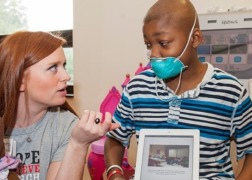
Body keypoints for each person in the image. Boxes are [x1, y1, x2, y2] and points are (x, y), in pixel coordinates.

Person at [104, 0, 252, 179]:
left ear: (195, 38)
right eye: (149, 45)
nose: (154, 54)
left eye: (164, 43)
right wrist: (115, 172)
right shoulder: (137, 89)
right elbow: (115, 138)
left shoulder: (231, 92)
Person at [0, 31, 119, 180]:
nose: (67, 76)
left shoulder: (66, 126)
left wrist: (78, 144)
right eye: (53, 67)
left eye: (64, 66)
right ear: (19, 80)